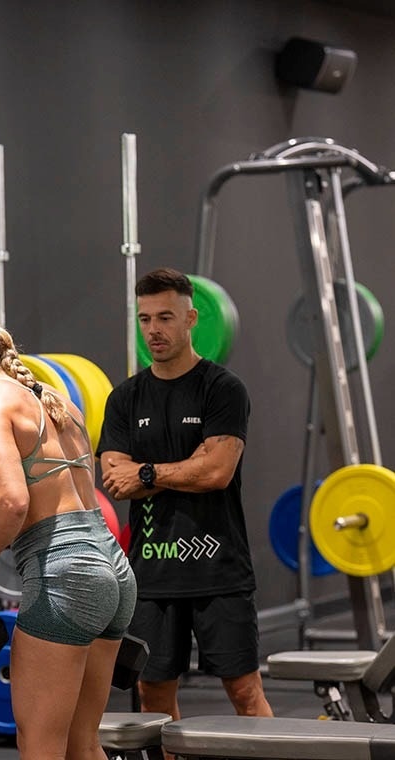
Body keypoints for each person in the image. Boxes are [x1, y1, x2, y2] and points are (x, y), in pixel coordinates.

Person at [0, 318, 136, 760]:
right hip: (112, 568)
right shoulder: (56, 401)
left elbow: (11, 502)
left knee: (39, 746)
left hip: (65, 574)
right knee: (84, 745)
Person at [98, 267, 272, 726]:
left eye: (165, 318)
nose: (153, 330)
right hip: (151, 575)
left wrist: (148, 472)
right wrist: (182, 469)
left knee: (245, 690)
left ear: (191, 318)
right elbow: (115, 478)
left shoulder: (222, 389)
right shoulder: (124, 399)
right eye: (145, 319)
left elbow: (216, 472)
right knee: (152, 694)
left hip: (220, 570)